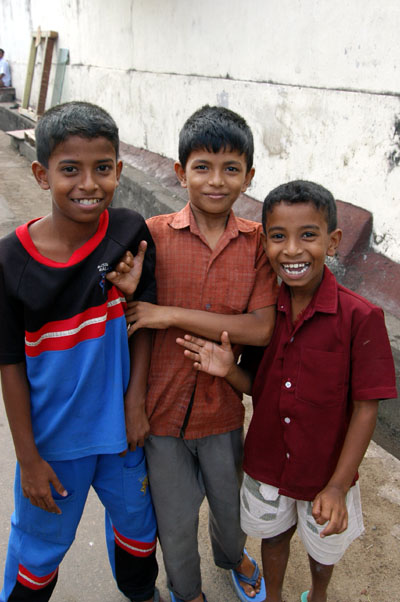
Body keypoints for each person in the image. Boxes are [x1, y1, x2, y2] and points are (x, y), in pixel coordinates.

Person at [176, 180, 397, 602]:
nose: (292, 250)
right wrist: (227, 371)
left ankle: (318, 594)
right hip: (268, 464)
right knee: (273, 538)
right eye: (278, 237)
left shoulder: (360, 317)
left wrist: (336, 486)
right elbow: (257, 387)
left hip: (325, 473)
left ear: (332, 241)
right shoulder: (263, 315)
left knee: (322, 551)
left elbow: (366, 408)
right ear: (266, 244)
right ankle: (273, 594)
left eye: (308, 235)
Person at [113, 105, 278, 602]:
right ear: (181, 171)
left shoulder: (256, 246)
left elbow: (260, 328)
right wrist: (134, 402)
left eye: (232, 169)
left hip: (222, 413)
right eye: (203, 167)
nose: (216, 181)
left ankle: (232, 559)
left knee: (230, 511)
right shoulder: (152, 235)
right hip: (161, 415)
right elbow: (135, 325)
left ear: (249, 176)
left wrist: (169, 314)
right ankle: (188, 591)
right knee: (175, 520)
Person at [0, 101, 164, 602]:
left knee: (138, 532)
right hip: (54, 445)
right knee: (38, 549)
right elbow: (9, 365)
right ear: (41, 173)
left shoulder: (131, 231)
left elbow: (144, 320)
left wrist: (135, 400)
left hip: (122, 435)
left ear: (119, 169)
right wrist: (27, 458)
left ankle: (140, 593)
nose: (89, 183)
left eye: (103, 168)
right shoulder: (9, 260)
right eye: (70, 169)